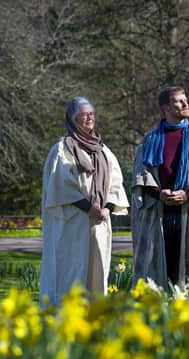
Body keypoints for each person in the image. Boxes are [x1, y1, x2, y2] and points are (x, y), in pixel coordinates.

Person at [40, 97, 129, 306]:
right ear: (73, 118)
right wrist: (89, 209)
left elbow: (115, 184)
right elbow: (62, 186)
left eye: (92, 113)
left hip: (98, 223)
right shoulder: (62, 150)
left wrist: (106, 209)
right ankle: (64, 319)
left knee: (97, 273)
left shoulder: (103, 151)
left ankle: (93, 320)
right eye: (83, 113)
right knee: (70, 273)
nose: (89, 117)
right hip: (72, 224)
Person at [132, 86, 189, 289]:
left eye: (185, 99)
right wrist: (159, 193)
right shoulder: (150, 140)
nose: (185, 104)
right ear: (165, 109)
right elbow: (140, 175)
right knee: (159, 272)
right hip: (159, 212)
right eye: (178, 101)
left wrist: (187, 193)